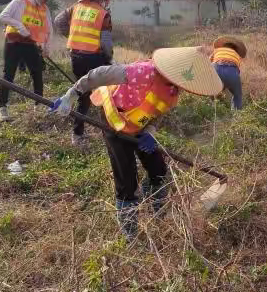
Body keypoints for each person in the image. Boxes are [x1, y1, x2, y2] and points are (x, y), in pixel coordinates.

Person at [51, 46, 222, 242]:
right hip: (113, 118)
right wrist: (71, 95)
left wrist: (150, 132)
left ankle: (157, 210)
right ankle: (129, 229)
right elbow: (99, 74)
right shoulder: (142, 72)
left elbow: (157, 114)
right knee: (126, 177)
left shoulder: (173, 90)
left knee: (158, 169)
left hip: (138, 125)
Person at [54, 0, 123, 145]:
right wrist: (110, 58)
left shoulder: (76, 7)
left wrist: (72, 37)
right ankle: (110, 131)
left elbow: (58, 21)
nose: (109, 1)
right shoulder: (102, 13)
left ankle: (77, 135)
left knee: (82, 95)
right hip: (94, 58)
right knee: (107, 94)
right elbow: (105, 42)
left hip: (76, 57)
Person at [0, 0, 56, 121]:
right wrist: (20, 26)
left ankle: (38, 104)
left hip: (31, 44)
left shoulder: (45, 9)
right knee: (8, 75)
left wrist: (46, 48)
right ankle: (3, 107)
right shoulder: (20, 1)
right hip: (14, 42)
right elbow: (3, 16)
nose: (45, 1)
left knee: (37, 73)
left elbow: (49, 30)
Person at [210, 36, 247, 110]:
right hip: (231, 71)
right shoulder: (237, 55)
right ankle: (236, 115)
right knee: (237, 95)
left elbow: (209, 61)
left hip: (215, 68)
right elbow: (236, 70)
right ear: (235, 49)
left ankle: (212, 109)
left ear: (223, 45)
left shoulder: (217, 50)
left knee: (212, 91)